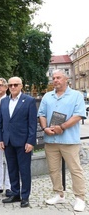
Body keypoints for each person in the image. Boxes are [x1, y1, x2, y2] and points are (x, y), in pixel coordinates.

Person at [38, 69, 86, 212]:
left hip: (69, 140)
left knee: (75, 169)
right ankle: (59, 194)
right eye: (54, 78)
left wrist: (62, 127)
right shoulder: (47, 96)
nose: (55, 80)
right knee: (53, 170)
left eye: (58, 77)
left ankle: (80, 198)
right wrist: (45, 127)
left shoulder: (76, 95)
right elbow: (41, 114)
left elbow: (78, 115)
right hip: (51, 140)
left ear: (66, 79)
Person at [0, 76, 37, 208]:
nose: (13, 87)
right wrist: (1, 139)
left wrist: (30, 141)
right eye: (10, 85)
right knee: (12, 169)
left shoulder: (29, 101)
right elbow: (0, 123)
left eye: (15, 85)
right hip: (8, 142)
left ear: (21, 86)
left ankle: (25, 196)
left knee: (24, 170)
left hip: (23, 142)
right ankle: (15, 193)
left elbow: (32, 123)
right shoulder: (4, 101)